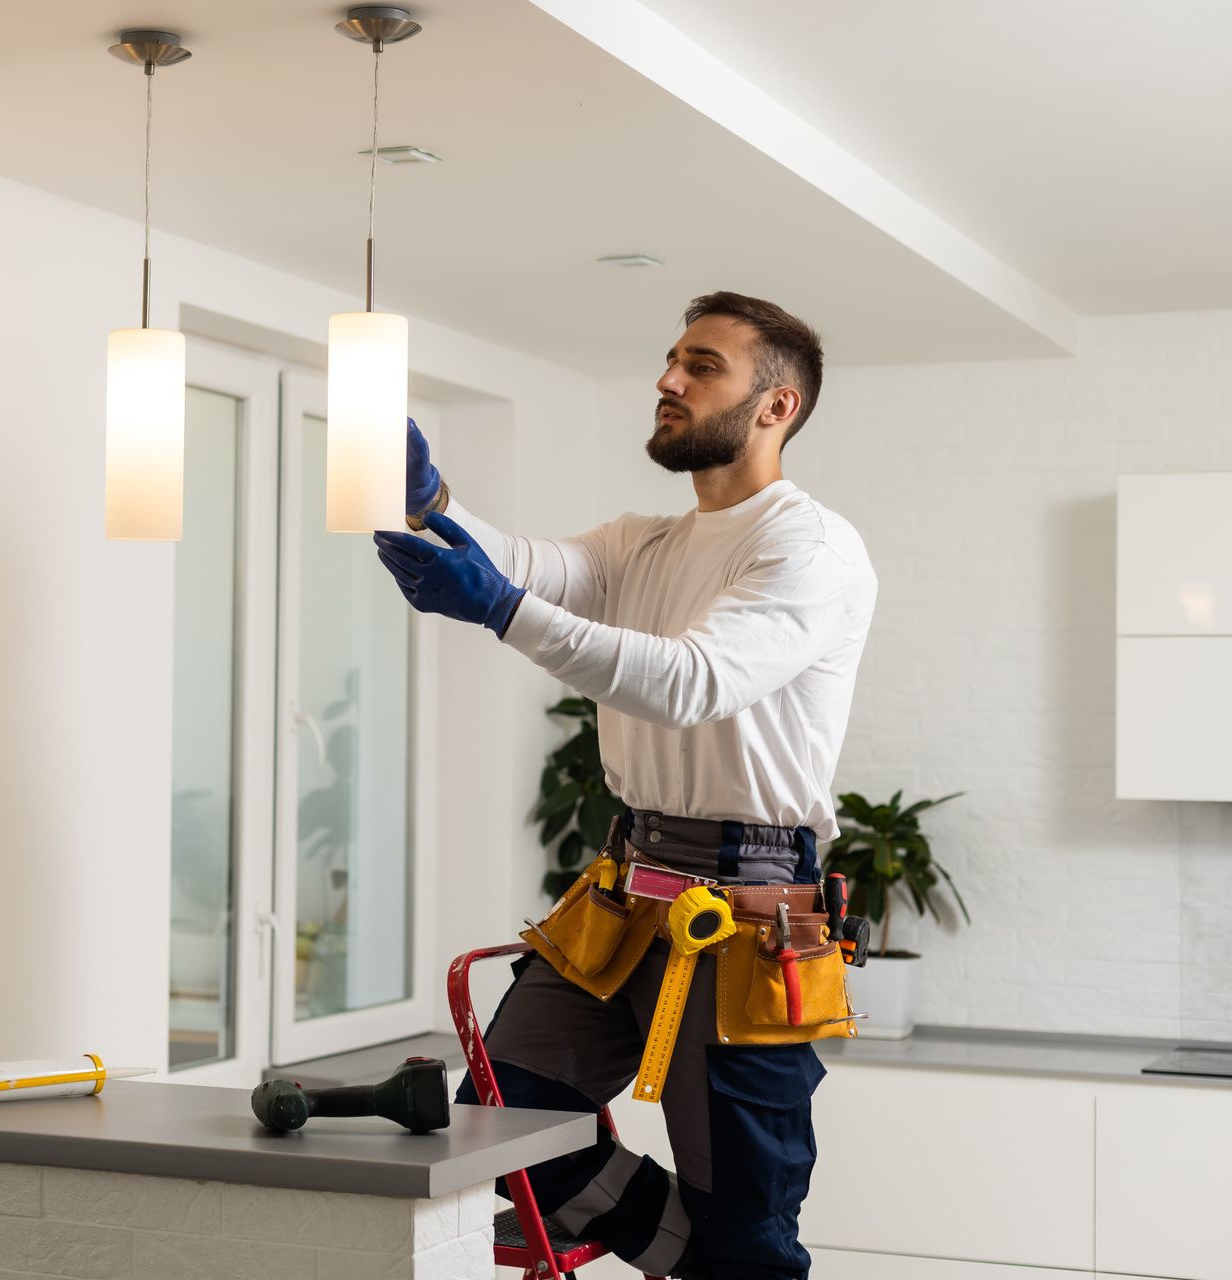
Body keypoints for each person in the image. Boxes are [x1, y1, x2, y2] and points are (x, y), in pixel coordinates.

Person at [373, 291, 877, 1279]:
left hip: (747, 908)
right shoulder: (643, 539)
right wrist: (437, 506)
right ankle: (704, 1256)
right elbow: (524, 566)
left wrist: (502, 611)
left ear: (776, 406)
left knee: (751, 1209)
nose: (668, 380)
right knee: (501, 1129)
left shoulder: (809, 548)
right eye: (670, 360)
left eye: (701, 365)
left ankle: (731, 1254)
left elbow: (692, 682)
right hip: (628, 883)